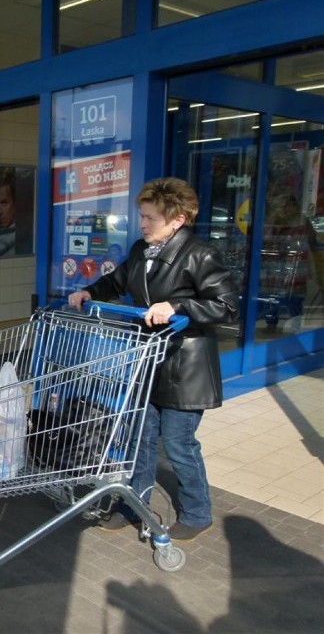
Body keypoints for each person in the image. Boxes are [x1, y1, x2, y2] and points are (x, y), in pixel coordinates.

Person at [68, 177, 239, 541]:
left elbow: (227, 306)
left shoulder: (200, 254)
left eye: (151, 218)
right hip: (149, 360)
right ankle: (135, 504)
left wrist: (177, 305)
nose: (143, 224)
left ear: (177, 220)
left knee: (178, 444)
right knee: (141, 439)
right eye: (142, 216)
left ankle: (197, 511)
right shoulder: (140, 250)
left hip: (186, 367)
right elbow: (116, 282)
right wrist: (88, 290)